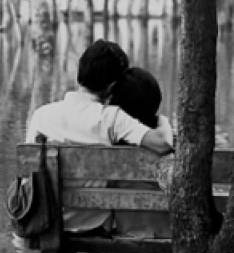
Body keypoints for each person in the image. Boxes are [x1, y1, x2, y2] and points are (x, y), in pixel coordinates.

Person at [25, 40, 172, 234]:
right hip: (89, 223)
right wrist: (163, 121)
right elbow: (163, 144)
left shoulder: (41, 115)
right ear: (112, 86)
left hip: (43, 218)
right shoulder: (111, 118)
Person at [108, 66, 174, 238]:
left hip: (126, 227)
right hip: (167, 229)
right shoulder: (166, 143)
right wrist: (163, 122)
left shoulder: (110, 145)